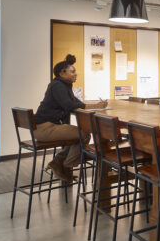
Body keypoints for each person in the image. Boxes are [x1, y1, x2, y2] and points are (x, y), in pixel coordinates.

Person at [34, 54, 107, 182]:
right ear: (62, 73)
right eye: (72, 71)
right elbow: (69, 106)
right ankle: (65, 165)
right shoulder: (58, 86)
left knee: (78, 136)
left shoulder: (62, 85)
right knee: (84, 135)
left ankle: (58, 162)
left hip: (47, 126)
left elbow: (74, 102)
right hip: (44, 128)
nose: (75, 74)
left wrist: (96, 105)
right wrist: (92, 106)